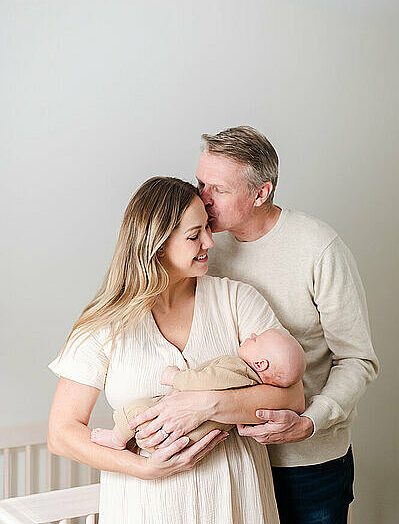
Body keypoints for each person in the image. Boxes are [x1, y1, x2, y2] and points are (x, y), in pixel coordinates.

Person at [132, 129, 379, 524]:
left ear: (260, 193)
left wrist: (311, 421)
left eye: (218, 189)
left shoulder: (319, 248)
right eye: (200, 183)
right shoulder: (198, 247)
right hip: (229, 461)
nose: (202, 197)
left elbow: (357, 359)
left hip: (308, 461)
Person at [48, 176, 304, 524]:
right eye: (194, 234)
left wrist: (210, 404)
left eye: (208, 229)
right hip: (145, 506)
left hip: (238, 502)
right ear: (157, 244)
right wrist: (143, 468)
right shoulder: (105, 323)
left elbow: (293, 398)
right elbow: (62, 433)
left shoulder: (237, 300)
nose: (210, 242)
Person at [90, 328, 306, 452]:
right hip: (190, 442)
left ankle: (117, 439)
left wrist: (175, 377)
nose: (251, 334)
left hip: (172, 435)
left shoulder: (237, 368)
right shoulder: (256, 389)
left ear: (260, 364)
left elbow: (204, 381)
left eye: (256, 339)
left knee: (136, 410)